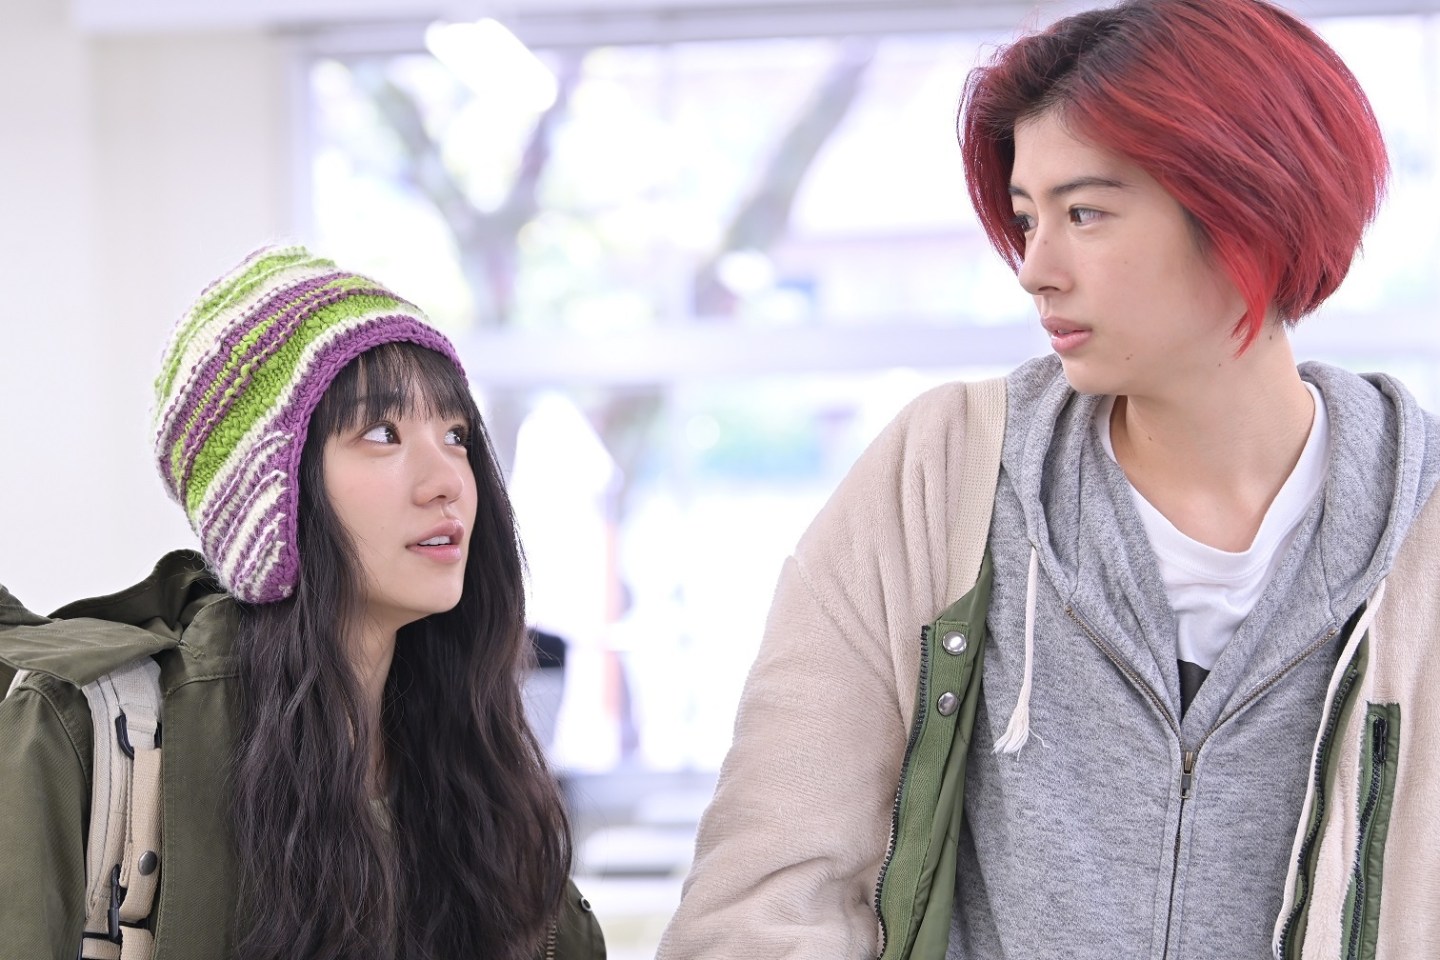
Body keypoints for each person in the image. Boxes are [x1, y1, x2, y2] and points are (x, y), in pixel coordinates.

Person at [657, 1, 1440, 958]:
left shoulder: (1421, 528)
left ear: (1254, 207)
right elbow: (768, 893)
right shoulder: (942, 474)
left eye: (1086, 213)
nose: (1035, 269)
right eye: (1028, 218)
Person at [0, 246, 605, 960]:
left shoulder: (480, 767)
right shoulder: (81, 735)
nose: (448, 479)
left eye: (456, 435)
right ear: (268, 498)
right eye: (382, 434)